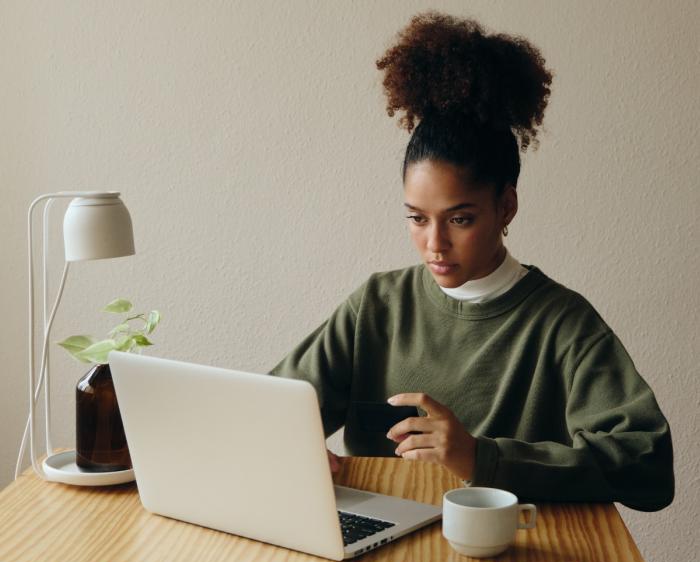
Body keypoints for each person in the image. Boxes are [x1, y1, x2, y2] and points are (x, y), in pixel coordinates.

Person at [267, 11, 674, 512]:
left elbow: (647, 464)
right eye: (417, 219)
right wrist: (291, 444)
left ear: (506, 206)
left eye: (459, 220)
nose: (434, 243)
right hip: (376, 540)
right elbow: (273, 408)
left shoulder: (562, 325)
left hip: (511, 548)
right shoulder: (376, 306)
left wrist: (481, 458)